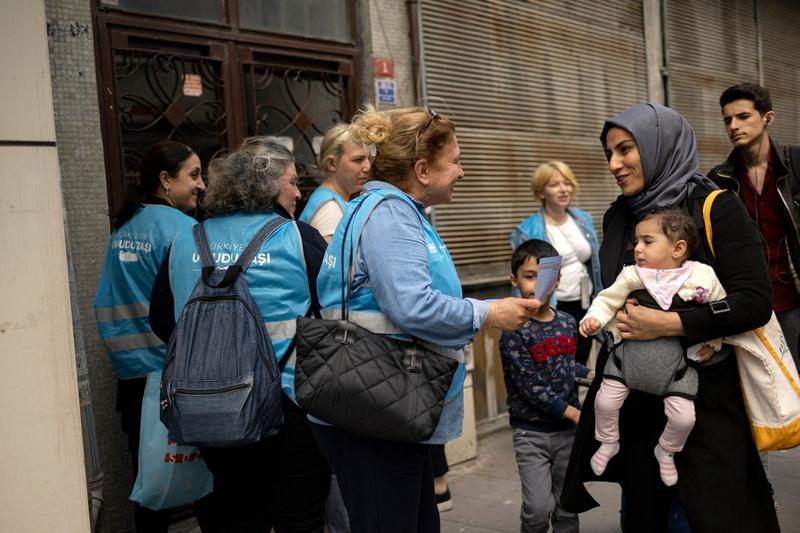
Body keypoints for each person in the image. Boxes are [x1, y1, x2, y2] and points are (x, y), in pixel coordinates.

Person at [311, 105, 542, 533]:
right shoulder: (389, 213)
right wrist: (491, 311)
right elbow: (412, 305)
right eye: (455, 161)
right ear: (421, 169)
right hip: (377, 408)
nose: (462, 171)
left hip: (392, 405)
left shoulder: (396, 209)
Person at [561, 103, 779, 533]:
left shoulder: (716, 208)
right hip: (638, 409)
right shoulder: (621, 215)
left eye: (626, 149)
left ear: (660, 146)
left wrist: (673, 324)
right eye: (609, 153)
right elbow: (617, 290)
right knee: (645, 518)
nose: (614, 164)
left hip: (704, 408)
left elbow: (754, 301)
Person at [148, 141, 330, 532]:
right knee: (301, 517)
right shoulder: (298, 237)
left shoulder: (184, 241)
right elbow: (335, 314)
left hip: (208, 411)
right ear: (266, 187)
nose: (299, 193)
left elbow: (162, 321)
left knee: (231, 515)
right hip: (290, 406)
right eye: (293, 182)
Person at [94, 141, 208, 532]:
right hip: (172, 377)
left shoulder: (126, 225)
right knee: (203, 482)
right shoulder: (183, 229)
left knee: (149, 486)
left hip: (131, 379)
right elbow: (197, 307)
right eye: (193, 175)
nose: (202, 185)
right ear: (165, 180)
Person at [579, 208, 725, 487]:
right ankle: (608, 442)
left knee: (684, 418)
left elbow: (720, 311)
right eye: (636, 242)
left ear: (678, 248)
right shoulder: (633, 276)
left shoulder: (702, 276)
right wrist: (594, 318)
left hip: (676, 370)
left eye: (647, 242)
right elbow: (606, 299)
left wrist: (714, 343)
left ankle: (667, 450)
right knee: (604, 401)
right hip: (627, 363)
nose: (637, 249)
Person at [500, 239, 594, 533]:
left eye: (545, 277)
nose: (538, 285)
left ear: (557, 280)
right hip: (531, 433)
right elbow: (530, 386)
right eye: (530, 276)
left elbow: (565, 365)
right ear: (514, 280)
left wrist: (590, 375)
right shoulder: (514, 330)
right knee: (538, 508)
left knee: (567, 505)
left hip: (567, 434)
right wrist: (574, 413)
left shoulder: (567, 322)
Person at [708, 82, 800, 369]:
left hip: (792, 298)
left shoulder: (796, 164)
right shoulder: (719, 179)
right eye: (728, 120)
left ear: (767, 118)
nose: (733, 125)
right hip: (745, 303)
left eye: (743, 116)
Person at [510, 161, 602, 365]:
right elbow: (523, 274)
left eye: (567, 183)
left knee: (579, 363)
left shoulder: (583, 219)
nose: (563, 189)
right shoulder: (527, 230)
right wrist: (523, 314)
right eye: (554, 184)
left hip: (585, 303)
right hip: (554, 306)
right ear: (541, 192)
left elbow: (594, 263)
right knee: (555, 366)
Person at [299, 123, 371, 241]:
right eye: (358, 160)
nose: (367, 167)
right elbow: (330, 259)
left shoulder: (332, 198)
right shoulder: (330, 209)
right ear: (331, 164)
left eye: (369, 159)